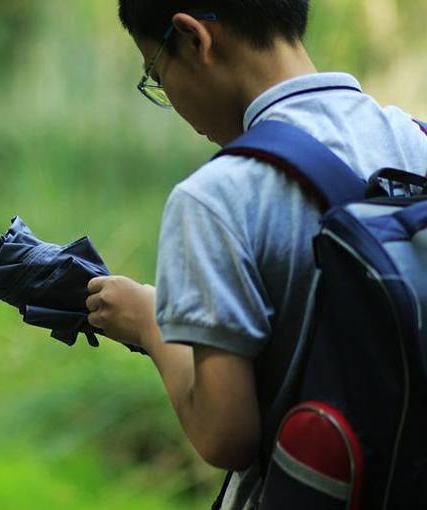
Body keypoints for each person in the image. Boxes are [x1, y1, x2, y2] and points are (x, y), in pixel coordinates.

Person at [84, 1, 427, 508]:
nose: (169, 97)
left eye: (156, 74)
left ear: (194, 38)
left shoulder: (216, 197)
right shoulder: (414, 141)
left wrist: (147, 322)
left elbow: (226, 436)